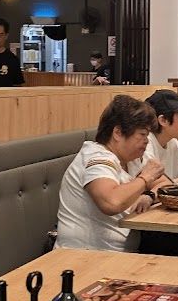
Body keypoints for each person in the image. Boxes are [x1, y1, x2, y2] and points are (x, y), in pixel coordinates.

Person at [56, 95, 164, 252]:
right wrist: (145, 178)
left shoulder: (131, 159)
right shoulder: (96, 158)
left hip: (123, 254)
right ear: (118, 133)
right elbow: (111, 202)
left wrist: (149, 196)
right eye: (142, 134)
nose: (147, 141)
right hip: (85, 257)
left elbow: (165, 185)